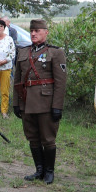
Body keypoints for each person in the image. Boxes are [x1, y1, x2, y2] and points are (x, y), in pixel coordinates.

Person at [13, 19, 67, 183]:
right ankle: (39, 170)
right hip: (27, 102)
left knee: (48, 138)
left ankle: (49, 172)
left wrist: (57, 106)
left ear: (46, 32)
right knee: (33, 137)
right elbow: (17, 81)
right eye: (32, 31)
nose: (34, 34)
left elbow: (60, 82)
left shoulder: (55, 53)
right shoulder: (23, 52)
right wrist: (16, 103)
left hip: (46, 102)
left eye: (37, 31)